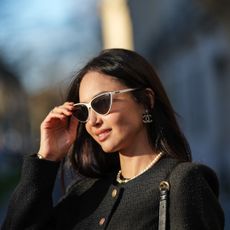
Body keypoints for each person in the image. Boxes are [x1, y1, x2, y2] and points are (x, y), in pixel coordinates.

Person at [2, 49, 224, 230]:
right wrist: (46, 159)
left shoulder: (182, 183)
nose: (92, 121)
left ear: (145, 100)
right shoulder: (84, 194)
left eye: (101, 103)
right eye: (84, 111)